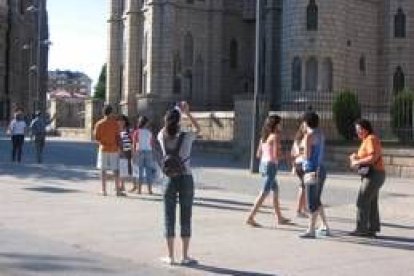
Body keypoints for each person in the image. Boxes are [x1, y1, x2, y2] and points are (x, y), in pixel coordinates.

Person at [158, 101, 200, 266]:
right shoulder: (187, 136)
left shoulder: (162, 136)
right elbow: (198, 129)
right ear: (180, 121)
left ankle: (170, 256)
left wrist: (174, 112)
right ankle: (185, 255)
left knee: (168, 215)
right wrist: (187, 112)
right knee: (186, 215)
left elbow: (163, 128)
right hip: (186, 177)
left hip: (169, 178)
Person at [246, 114, 290, 227]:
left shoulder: (263, 137)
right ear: (276, 125)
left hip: (263, 165)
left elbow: (258, 154)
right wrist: (287, 156)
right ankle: (250, 217)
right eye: (280, 123)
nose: (281, 125)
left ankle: (279, 217)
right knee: (264, 193)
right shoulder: (275, 137)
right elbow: (276, 156)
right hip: (271, 166)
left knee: (275, 190)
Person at [349, 119, 386, 238]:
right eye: (357, 130)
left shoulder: (371, 139)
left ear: (366, 129)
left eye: (359, 130)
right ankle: (372, 229)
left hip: (374, 175)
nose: (358, 132)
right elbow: (367, 156)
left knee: (362, 201)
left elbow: (373, 157)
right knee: (371, 202)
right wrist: (356, 156)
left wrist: (357, 161)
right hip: (374, 174)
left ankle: (362, 229)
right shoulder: (366, 140)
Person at [299, 111, 330, 238]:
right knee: (316, 199)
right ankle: (325, 226)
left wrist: (300, 151)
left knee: (311, 201)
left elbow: (307, 155)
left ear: (306, 122)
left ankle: (311, 230)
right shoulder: (321, 134)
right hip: (321, 169)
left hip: (311, 170)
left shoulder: (309, 136)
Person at [93, 105, 122, 196]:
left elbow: (96, 137)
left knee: (103, 170)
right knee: (115, 169)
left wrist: (103, 141)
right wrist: (119, 147)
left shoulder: (99, 123)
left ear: (103, 112)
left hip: (104, 148)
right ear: (111, 112)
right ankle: (117, 190)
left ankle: (104, 190)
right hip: (114, 148)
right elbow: (118, 137)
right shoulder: (115, 124)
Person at [132, 115, 155, 194]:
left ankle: (139, 190)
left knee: (139, 171)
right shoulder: (149, 132)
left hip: (139, 151)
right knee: (149, 171)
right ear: (146, 123)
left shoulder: (136, 132)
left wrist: (133, 154)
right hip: (149, 151)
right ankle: (150, 190)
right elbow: (151, 143)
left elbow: (134, 144)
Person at [291, 123, 307, 218]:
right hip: (302, 164)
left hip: (298, 164)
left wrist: (293, 166)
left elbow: (293, 153)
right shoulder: (305, 139)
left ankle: (303, 208)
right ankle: (299, 210)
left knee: (303, 187)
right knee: (303, 187)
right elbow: (300, 152)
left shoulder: (296, 140)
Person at [117, 115, 133, 193]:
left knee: (123, 169)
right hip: (117, 151)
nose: (120, 122)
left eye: (122, 121)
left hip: (125, 152)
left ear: (125, 121)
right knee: (119, 169)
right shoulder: (116, 130)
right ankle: (120, 185)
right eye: (119, 121)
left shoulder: (128, 130)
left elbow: (131, 141)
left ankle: (122, 185)